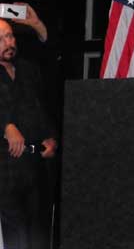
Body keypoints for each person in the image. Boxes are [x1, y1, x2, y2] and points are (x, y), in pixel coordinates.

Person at [0, 15, 57, 249]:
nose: (8, 42)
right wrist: (4, 125)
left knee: (40, 234)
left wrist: (53, 138)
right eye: (0, 39)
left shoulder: (29, 69)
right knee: (16, 237)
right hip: (5, 167)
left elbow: (45, 105)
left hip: (37, 163)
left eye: (9, 36)